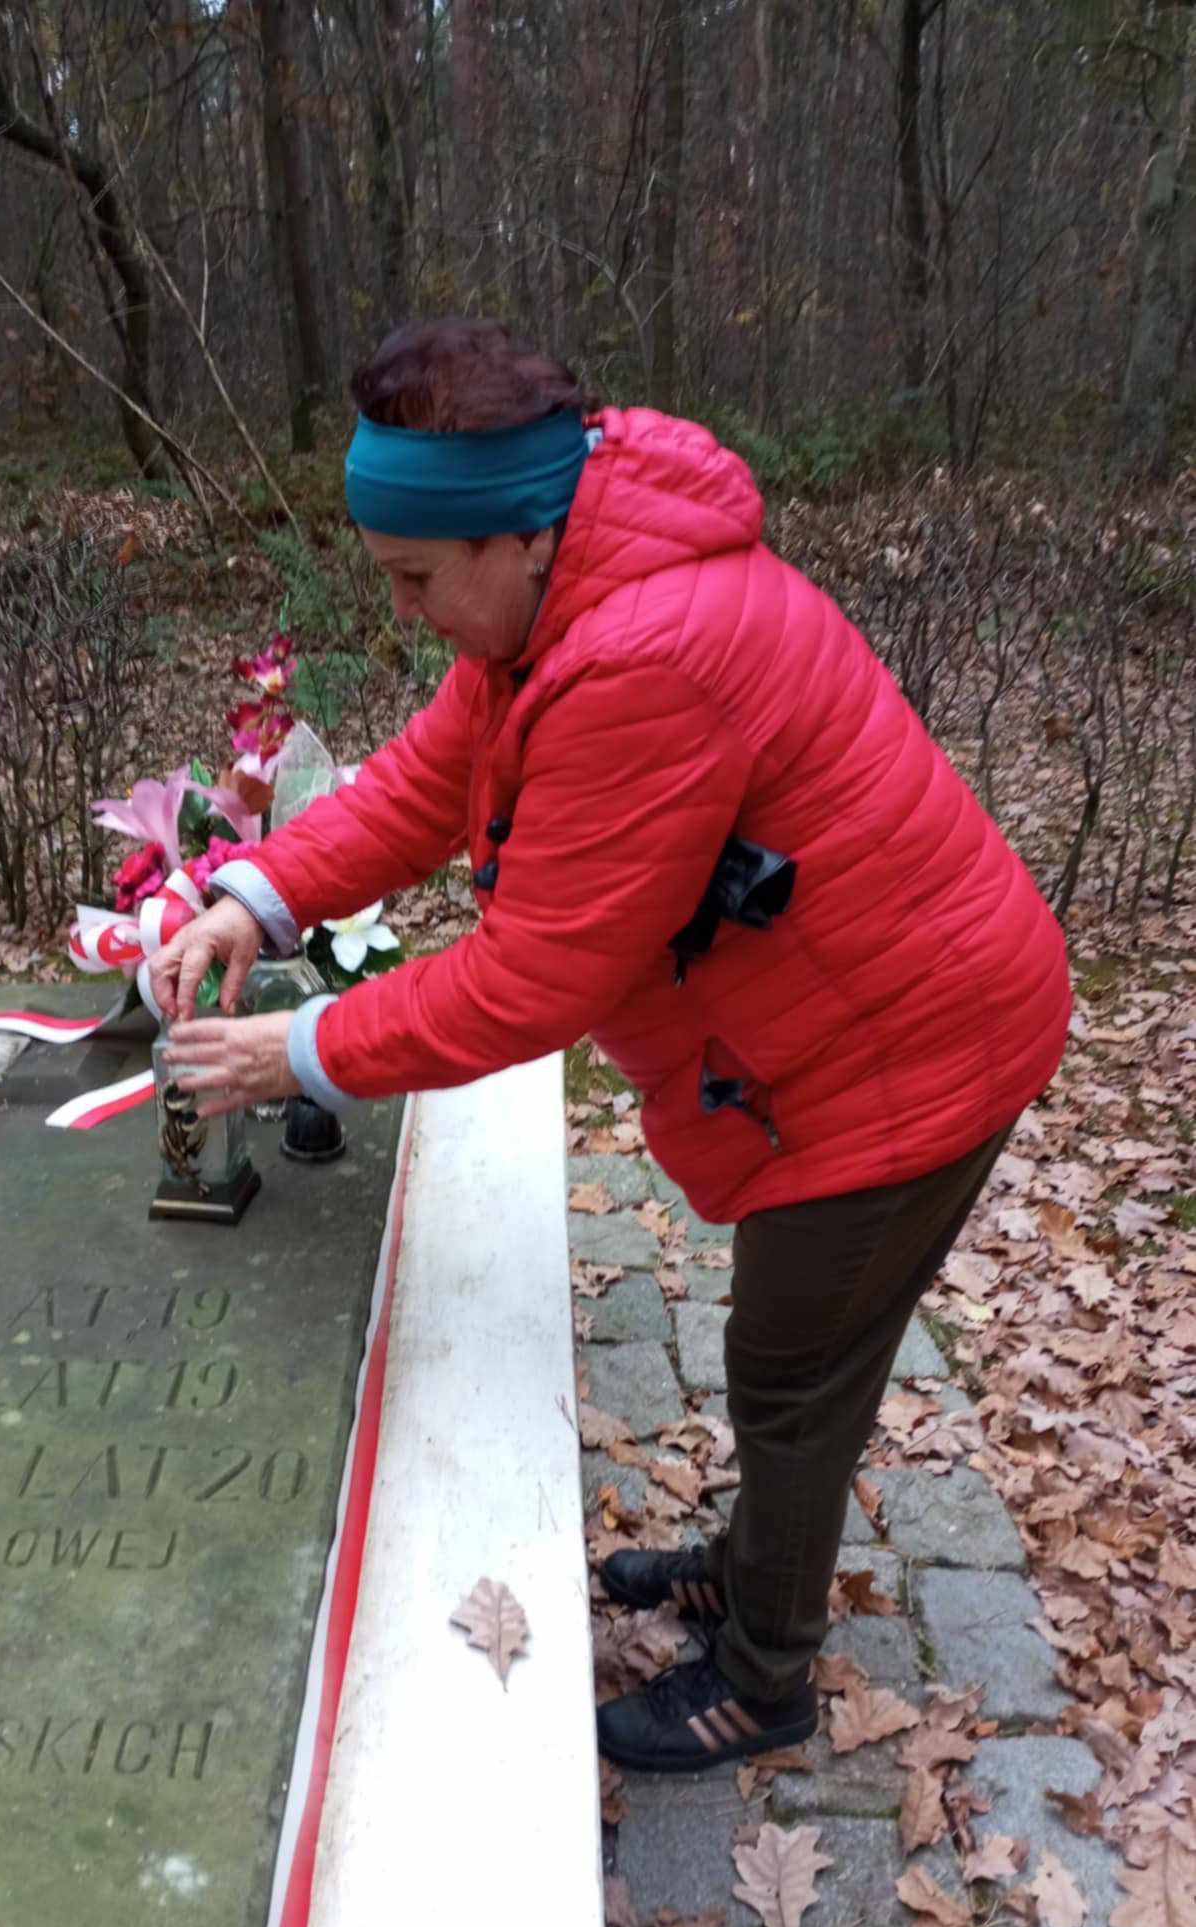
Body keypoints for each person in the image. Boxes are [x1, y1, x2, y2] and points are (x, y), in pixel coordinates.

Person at [150, 317, 1070, 1775]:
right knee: (790, 1362)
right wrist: (253, 898)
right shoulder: (565, 593)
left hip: (909, 1053)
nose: (401, 610)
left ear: (518, 536)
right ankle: (747, 1564)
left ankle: (763, 1676)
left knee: (792, 1377)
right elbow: (429, 778)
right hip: (858, 1023)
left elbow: (529, 983)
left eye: (414, 577)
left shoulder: (645, 656)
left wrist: (296, 1053)